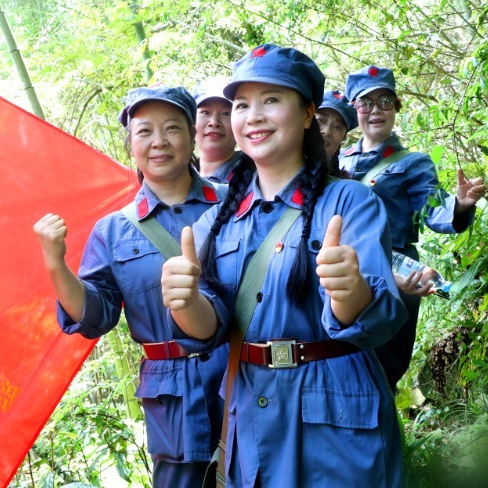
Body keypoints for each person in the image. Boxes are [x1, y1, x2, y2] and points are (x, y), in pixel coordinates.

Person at [160, 45, 408, 486]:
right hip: (250, 411)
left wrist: (351, 293)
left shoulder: (350, 202)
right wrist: (184, 303)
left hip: (336, 411)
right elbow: (210, 325)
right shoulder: (212, 224)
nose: (253, 115)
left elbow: (383, 317)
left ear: (309, 112)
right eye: (242, 105)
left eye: (271, 100)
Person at [33, 86, 229, 487]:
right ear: (130, 144)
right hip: (173, 398)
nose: (159, 142)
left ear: (192, 136)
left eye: (172, 128)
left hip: (242, 374)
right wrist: (55, 264)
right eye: (144, 132)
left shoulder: (236, 205)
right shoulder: (115, 230)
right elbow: (94, 316)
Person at [341, 65, 486, 392]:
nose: (376, 110)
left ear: (397, 108)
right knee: (344, 362)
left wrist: (460, 204)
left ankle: (386, 439)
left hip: (397, 274)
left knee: (384, 367)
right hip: (346, 269)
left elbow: (433, 209)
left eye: (385, 101)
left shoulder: (412, 162)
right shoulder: (340, 160)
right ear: (354, 109)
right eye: (366, 103)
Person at [191, 78, 243, 183]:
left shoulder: (258, 172)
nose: (214, 122)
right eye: (205, 112)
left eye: (226, 113)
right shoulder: (178, 175)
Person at [316, 89, 357, 171]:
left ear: (343, 138)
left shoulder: (341, 183)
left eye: (338, 127)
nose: (327, 132)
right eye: (320, 120)